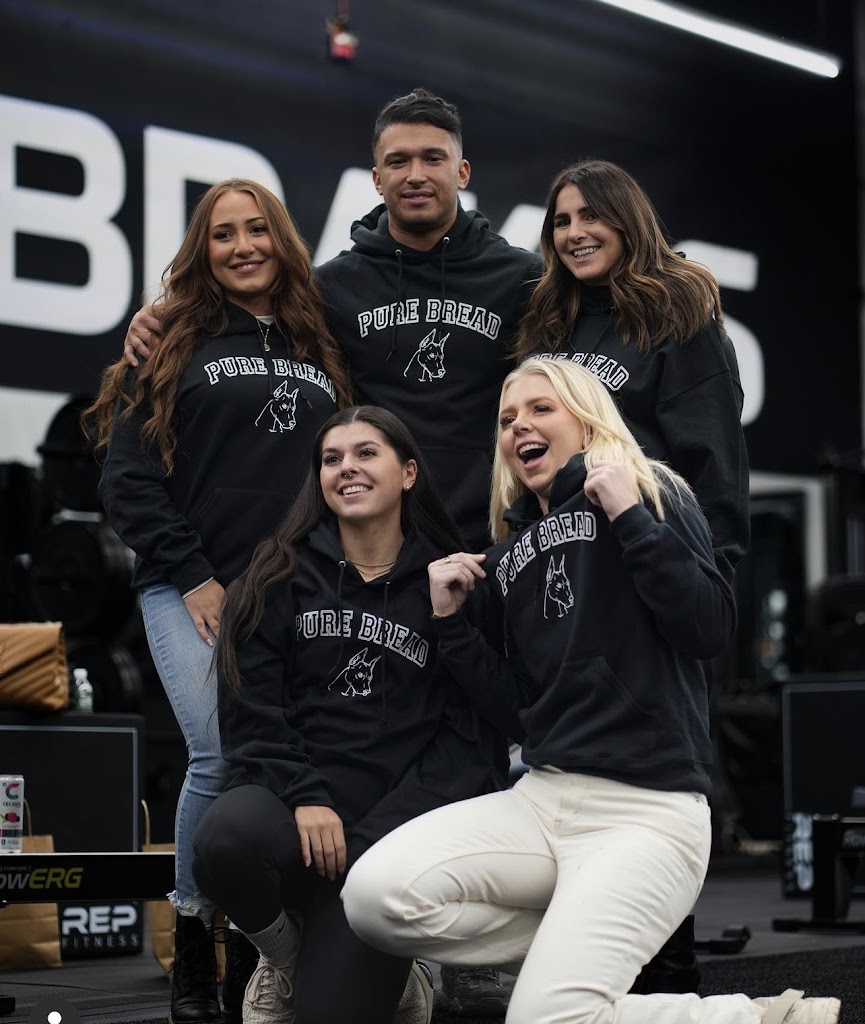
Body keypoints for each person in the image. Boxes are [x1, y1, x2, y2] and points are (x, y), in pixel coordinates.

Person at [341, 359, 840, 1024]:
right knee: (374, 898)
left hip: (647, 810)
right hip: (543, 798)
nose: (519, 426)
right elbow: (520, 711)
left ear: (585, 419)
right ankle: (572, 947)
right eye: (507, 419)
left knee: (543, 1018)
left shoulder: (649, 490)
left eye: (540, 409)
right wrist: (451, 626)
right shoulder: (510, 550)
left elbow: (708, 628)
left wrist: (629, 515)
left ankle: (760, 1019)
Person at [88, 178, 353, 1024]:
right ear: (202, 250)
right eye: (223, 234)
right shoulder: (172, 340)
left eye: (257, 230)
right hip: (192, 586)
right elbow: (127, 482)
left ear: (282, 240)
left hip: (293, 589)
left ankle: (253, 944)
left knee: (273, 758)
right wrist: (196, 576)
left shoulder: (320, 342)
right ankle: (194, 943)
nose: (243, 247)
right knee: (218, 751)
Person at [191, 405, 505, 1024]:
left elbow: (469, 742)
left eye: (366, 453)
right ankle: (284, 958)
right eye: (332, 458)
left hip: (387, 845)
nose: (347, 468)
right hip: (295, 821)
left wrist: (378, 835)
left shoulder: (450, 583)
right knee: (225, 838)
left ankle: (394, 973)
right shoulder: (277, 574)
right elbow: (251, 715)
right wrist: (305, 795)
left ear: (408, 473)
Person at [514, 158, 749, 585]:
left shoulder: (678, 319)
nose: (574, 233)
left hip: (646, 557)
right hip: (559, 564)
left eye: (591, 215)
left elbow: (715, 464)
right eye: (562, 222)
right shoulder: (547, 327)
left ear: (627, 221)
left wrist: (710, 579)